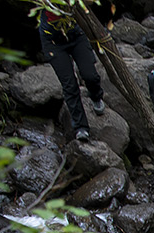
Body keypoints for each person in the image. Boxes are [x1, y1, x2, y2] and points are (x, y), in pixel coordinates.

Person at [38, 6, 106, 142]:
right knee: (69, 84)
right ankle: (81, 127)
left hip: (76, 35)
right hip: (53, 42)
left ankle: (96, 96)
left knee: (90, 75)